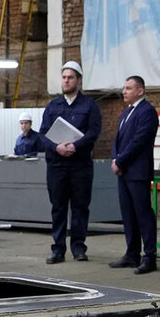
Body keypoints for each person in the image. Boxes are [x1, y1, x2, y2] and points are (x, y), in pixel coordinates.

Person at [39, 61, 102, 264]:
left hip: (80, 165)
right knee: (58, 207)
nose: (66, 81)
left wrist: (76, 146)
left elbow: (94, 131)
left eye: (70, 77)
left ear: (79, 80)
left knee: (80, 207)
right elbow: (43, 134)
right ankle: (58, 249)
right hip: (57, 165)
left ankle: (78, 248)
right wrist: (56, 147)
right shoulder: (52, 106)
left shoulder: (89, 106)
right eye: (64, 77)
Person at [108, 75, 160, 275]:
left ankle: (149, 257)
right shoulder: (126, 112)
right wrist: (115, 159)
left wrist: (120, 161)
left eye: (128, 88)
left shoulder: (147, 112)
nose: (124, 91)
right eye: (124, 88)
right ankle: (132, 254)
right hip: (123, 172)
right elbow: (118, 140)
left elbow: (139, 141)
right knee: (128, 215)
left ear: (140, 91)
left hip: (137, 172)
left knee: (143, 214)